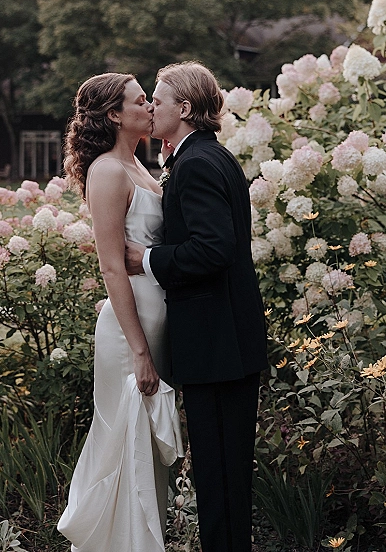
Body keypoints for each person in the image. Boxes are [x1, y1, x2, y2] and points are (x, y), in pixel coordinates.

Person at [125, 61, 268, 552]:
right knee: (222, 477)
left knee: (219, 478)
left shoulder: (197, 164)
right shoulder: (210, 156)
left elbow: (213, 249)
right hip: (224, 342)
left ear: (183, 109)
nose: (149, 107)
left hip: (218, 346)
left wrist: (144, 258)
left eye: (157, 101)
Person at [57, 73, 183, 552]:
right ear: (115, 115)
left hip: (157, 321)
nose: (151, 105)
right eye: (141, 100)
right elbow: (112, 266)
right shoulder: (107, 171)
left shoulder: (141, 165)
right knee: (127, 444)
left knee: (148, 450)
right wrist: (139, 352)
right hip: (132, 333)